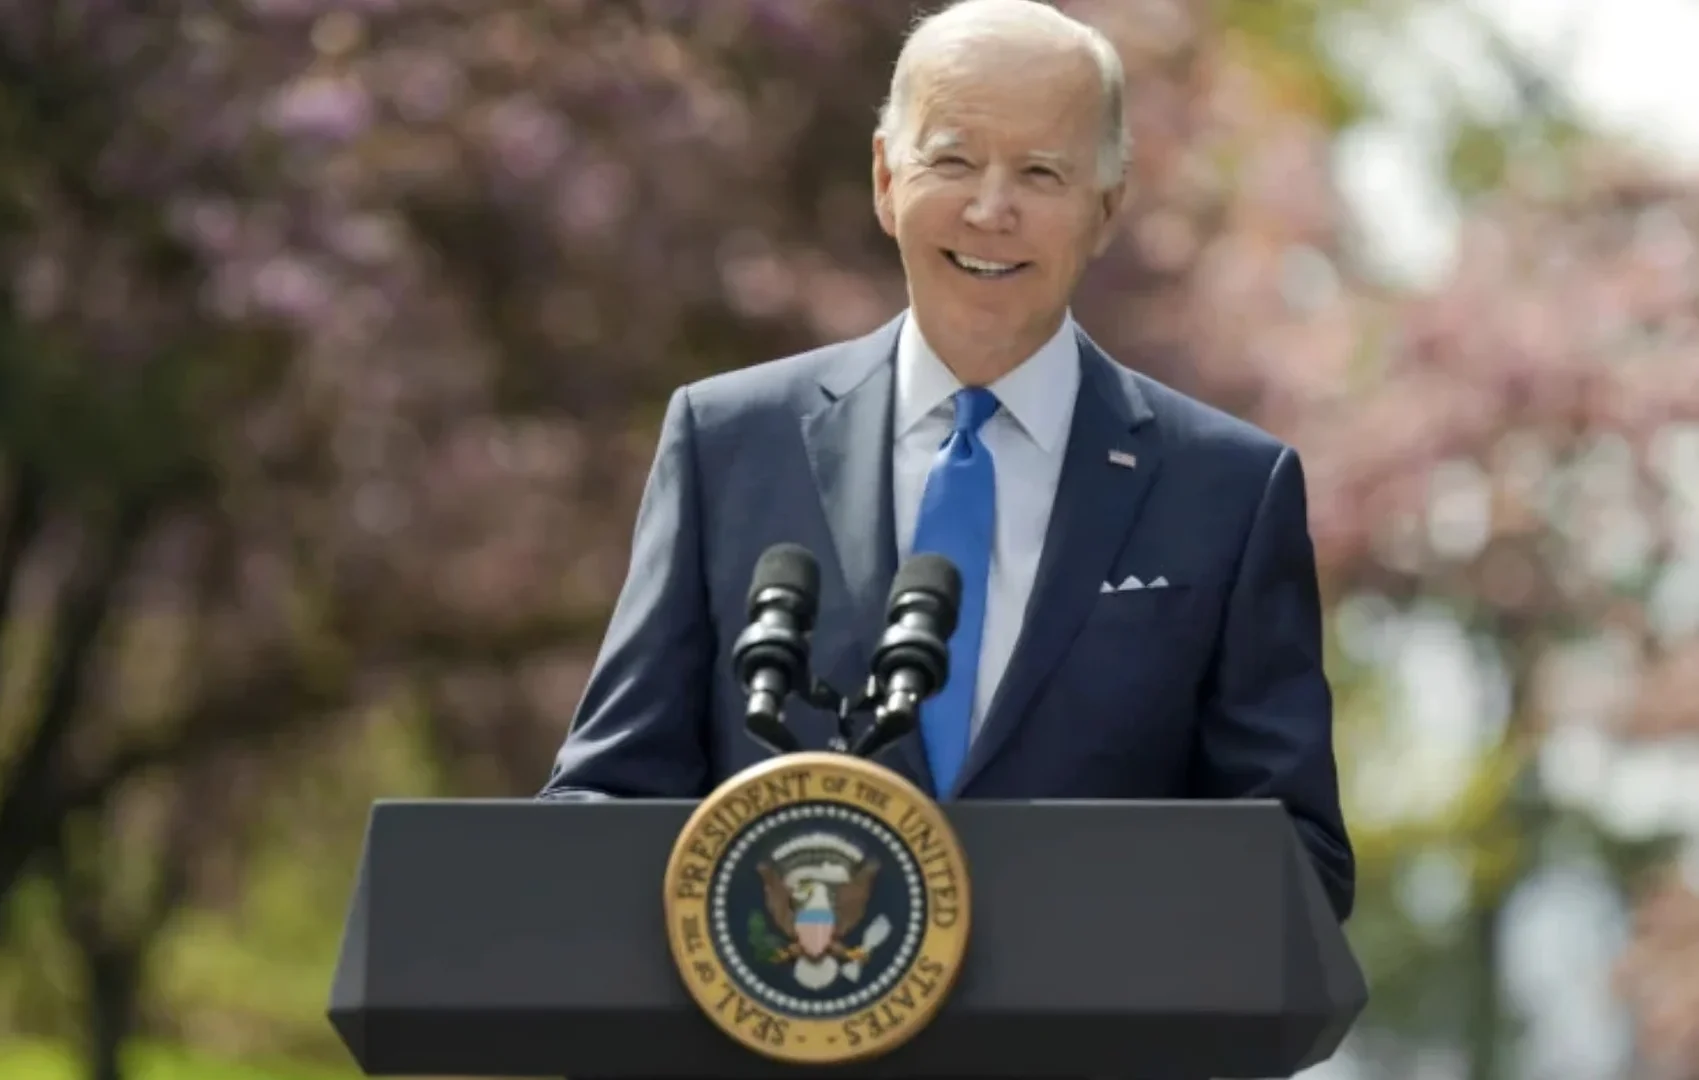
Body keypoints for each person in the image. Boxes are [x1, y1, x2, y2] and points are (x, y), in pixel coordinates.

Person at [539, 0, 1353, 921]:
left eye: (1040, 172)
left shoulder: (1229, 492)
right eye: (952, 160)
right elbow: (605, 800)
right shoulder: (727, 443)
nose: (989, 209)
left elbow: (1300, 865)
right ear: (887, 178)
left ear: (1106, 206)